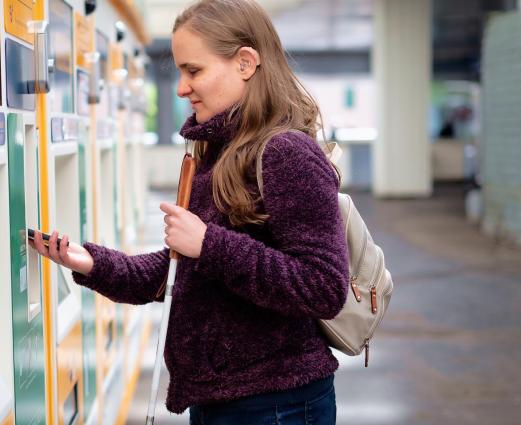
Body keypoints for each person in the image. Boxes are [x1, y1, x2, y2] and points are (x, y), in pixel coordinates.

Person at [29, 0, 348, 423]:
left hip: (277, 404)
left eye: (193, 71)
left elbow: (323, 287)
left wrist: (210, 243)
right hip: (224, 399)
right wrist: (89, 262)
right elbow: (181, 271)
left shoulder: (287, 153)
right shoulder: (219, 154)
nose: (181, 88)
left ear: (246, 63)